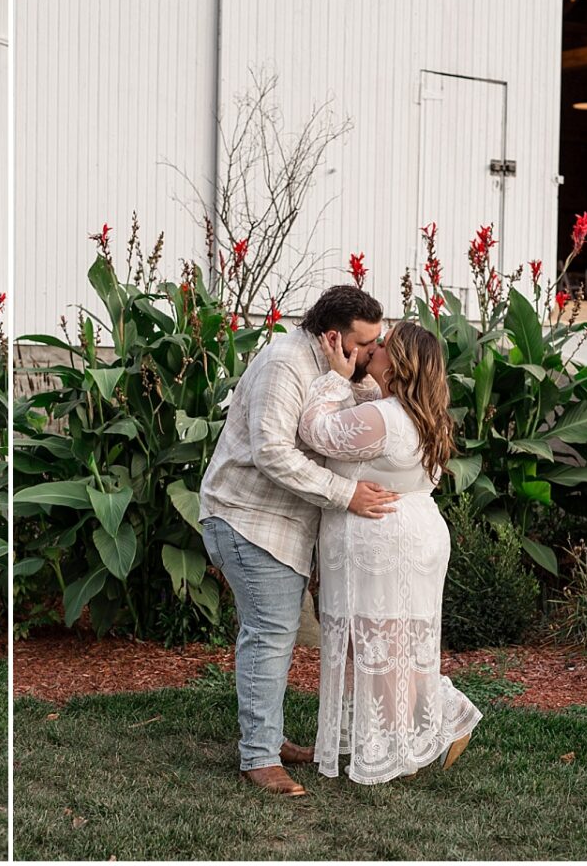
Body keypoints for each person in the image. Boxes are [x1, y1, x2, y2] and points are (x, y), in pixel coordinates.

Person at [199, 285, 401, 797]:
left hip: (279, 525)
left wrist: (353, 380)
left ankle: (268, 737)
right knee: (269, 635)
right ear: (335, 337)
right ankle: (259, 758)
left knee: (277, 635)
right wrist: (346, 494)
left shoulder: (331, 369)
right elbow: (273, 452)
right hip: (247, 518)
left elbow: (339, 418)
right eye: (367, 344)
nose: (373, 353)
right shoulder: (285, 365)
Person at [298, 320, 480, 784]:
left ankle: (438, 718)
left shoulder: (384, 416)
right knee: (393, 642)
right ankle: (407, 737)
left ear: (397, 363)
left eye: (383, 346)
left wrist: (336, 378)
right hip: (416, 532)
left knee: (379, 643)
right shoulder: (424, 415)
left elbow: (315, 430)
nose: (373, 350)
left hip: (387, 539)